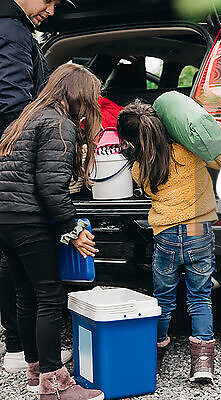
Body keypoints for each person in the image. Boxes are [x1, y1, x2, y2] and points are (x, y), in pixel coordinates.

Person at [0, 63, 104, 400]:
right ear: (77, 95)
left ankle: (34, 371)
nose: (90, 106)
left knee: (26, 294)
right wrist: (72, 227)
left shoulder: (26, 116)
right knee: (50, 296)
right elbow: (50, 186)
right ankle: (54, 385)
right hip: (28, 219)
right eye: (90, 98)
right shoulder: (59, 123)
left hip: (6, 218)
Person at [116, 100, 221, 382]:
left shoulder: (141, 167)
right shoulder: (189, 151)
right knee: (200, 295)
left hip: (167, 234)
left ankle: (154, 357)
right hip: (197, 229)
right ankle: (203, 362)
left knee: (163, 298)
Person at [0, 0, 74, 373]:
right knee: (46, 291)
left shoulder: (16, 28)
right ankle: (49, 375)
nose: (52, 10)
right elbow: (12, 104)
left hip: (7, 196)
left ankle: (22, 354)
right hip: (21, 195)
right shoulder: (12, 31)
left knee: (20, 279)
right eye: (50, 0)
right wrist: (71, 226)